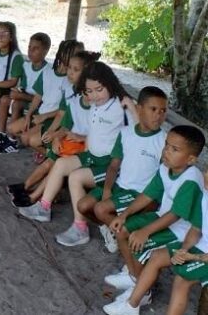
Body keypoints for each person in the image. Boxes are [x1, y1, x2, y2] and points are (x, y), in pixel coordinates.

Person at [102, 125, 205, 314]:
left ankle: (142, 292)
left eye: (175, 149)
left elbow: (176, 214)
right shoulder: (166, 168)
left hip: (180, 230)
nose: (166, 151)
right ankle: (134, 278)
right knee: (121, 229)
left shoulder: (191, 179)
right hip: (161, 217)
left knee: (140, 241)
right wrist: (124, 215)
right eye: (167, 145)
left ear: (191, 159)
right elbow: (148, 195)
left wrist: (145, 231)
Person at [18, 62, 134, 224]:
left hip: (109, 164)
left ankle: (80, 227)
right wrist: (84, 139)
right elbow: (100, 133)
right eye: (89, 91)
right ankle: (43, 208)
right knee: (60, 164)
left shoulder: (120, 105)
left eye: (99, 89)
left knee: (75, 177)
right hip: (91, 155)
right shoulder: (96, 104)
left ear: (110, 83)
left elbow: (140, 130)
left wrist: (131, 107)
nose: (94, 95)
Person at [68, 86, 168, 250]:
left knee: (101, 209)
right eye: (153, 109)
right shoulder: (126, 133)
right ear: (139, 109)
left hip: (140, 193)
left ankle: (124, 235)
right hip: (119, 186)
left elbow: (165, 177)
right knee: (83, 206)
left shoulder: (164, 141)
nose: (159, 115)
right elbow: (114, 165)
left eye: (163, 111)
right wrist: (107, 189)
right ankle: (112, 229)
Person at [7, 50, 100, 209]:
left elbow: (98, 133)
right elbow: (66, 120)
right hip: (69, 138)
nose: (70, 72)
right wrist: (56, 136)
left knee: (53, 163)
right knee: (50, 160)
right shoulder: (74, 94)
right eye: (69, 67)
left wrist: (77, 138)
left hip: (85, 145)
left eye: (75, 70)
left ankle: (34, 196)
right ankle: (27, 186)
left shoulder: (95, 102)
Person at [1, 39, 82, 155]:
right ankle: (40, 144)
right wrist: (29, 114)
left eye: (74, 55)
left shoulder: (70, 81)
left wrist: (44, 117)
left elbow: (63, 111)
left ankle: (47, 153)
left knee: (26, 138)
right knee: (11, 129)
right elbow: (38, 96)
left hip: (52, 118)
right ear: (60, 53)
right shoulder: (47, 72)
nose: (70, 58)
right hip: (41, 113)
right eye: (67, 53)